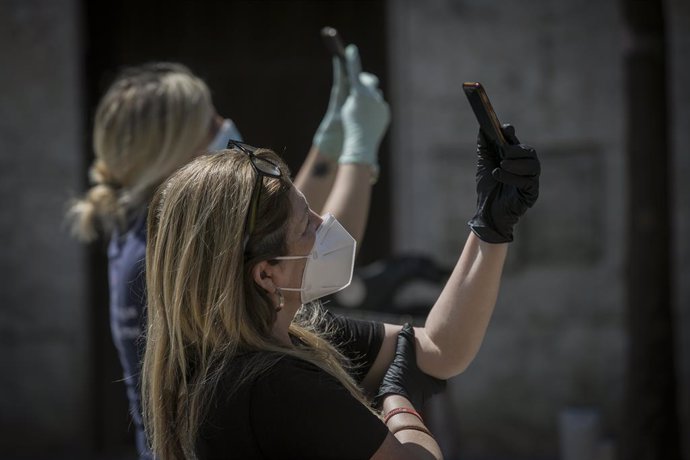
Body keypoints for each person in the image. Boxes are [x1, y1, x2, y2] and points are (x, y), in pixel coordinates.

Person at [141, 50, 541, 459]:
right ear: (265, 276)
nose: (324, 222)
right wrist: (398, 402)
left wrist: (490, 228)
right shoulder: (277, 385)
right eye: (306, 225)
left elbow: (441, 349)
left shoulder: (264, 341)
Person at [66, 51, 381, 459]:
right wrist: (359, 156)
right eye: (210, 124)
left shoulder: (143, 231)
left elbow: (280, 225)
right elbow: (305, 255)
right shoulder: (165, 253)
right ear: (171, 150)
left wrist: (327, 150)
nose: (225, 128)